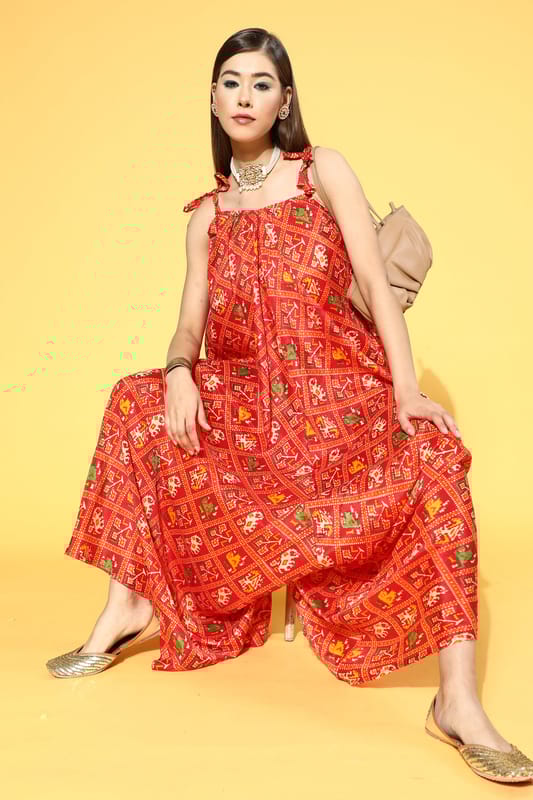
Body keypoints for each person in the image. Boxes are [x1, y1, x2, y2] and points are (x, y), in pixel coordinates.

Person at [46, 27, 533, 784]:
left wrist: (406, 389)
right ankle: (129, 607)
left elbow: (375, 286)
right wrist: (179, 371)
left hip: (340, 392)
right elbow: (188, 324)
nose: (244, 96)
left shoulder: (321, 172)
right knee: (134, 403)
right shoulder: (206, 216)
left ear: (284, 101)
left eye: (261, 83)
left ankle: (457, 703)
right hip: (251, 402)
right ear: (213, 99)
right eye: (231, 82)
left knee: (437, 456)